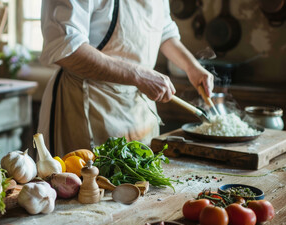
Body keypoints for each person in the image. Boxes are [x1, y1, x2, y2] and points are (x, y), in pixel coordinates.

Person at [38, 0, 214, 156]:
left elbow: (164, 31)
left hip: (138, 110)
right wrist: (138, 75)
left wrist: (193, 67)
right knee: (87, 188)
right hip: (88, 106)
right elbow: (65, 48)